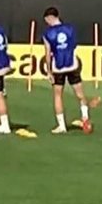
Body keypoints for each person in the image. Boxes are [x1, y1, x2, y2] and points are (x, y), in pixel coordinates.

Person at [42, 7, 90, 135]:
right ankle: (85, 118)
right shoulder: (70, 29)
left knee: (58, 95)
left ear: (49, 18)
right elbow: (74, 45)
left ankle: (61, 126)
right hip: (72, 64)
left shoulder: (48, 34)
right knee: (80, 93)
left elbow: (47, 54)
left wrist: (49, 71)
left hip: (58, 67)